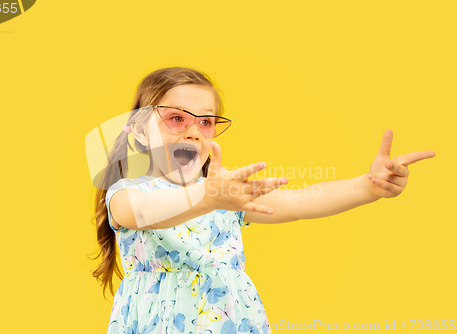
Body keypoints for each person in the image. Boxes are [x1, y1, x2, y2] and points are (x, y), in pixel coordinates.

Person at [89, 67, 435, 334]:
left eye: (206, 122)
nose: (194, 131)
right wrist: (208, 196)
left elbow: (301, 201)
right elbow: (141, 212)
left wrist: (369, 186)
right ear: (138, 129)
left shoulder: (229, 194)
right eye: (176, 118)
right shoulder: (128, 193)